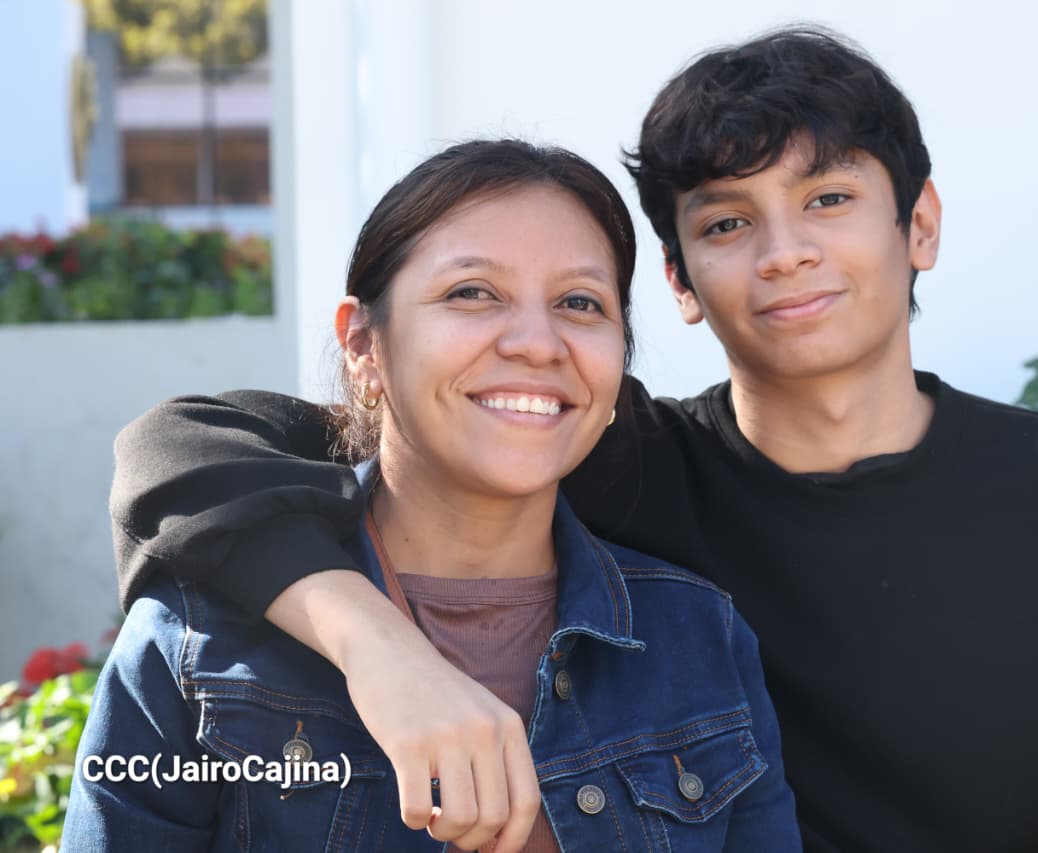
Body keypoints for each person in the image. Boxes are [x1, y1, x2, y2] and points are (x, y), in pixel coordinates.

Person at [107, 28, 1038, 852]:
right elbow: (181, 450)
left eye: (829, 199)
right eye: (728, 222)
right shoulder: (603, 457)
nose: (785, 252)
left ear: (920, 224)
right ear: (681, 282)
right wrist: (379, 647)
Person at [64, 140, 801, 852]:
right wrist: (379, 651)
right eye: (471, 292)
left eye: (580, 302)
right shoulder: (194, 642)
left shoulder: (701, 639)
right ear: (363, 346)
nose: (537, 342)